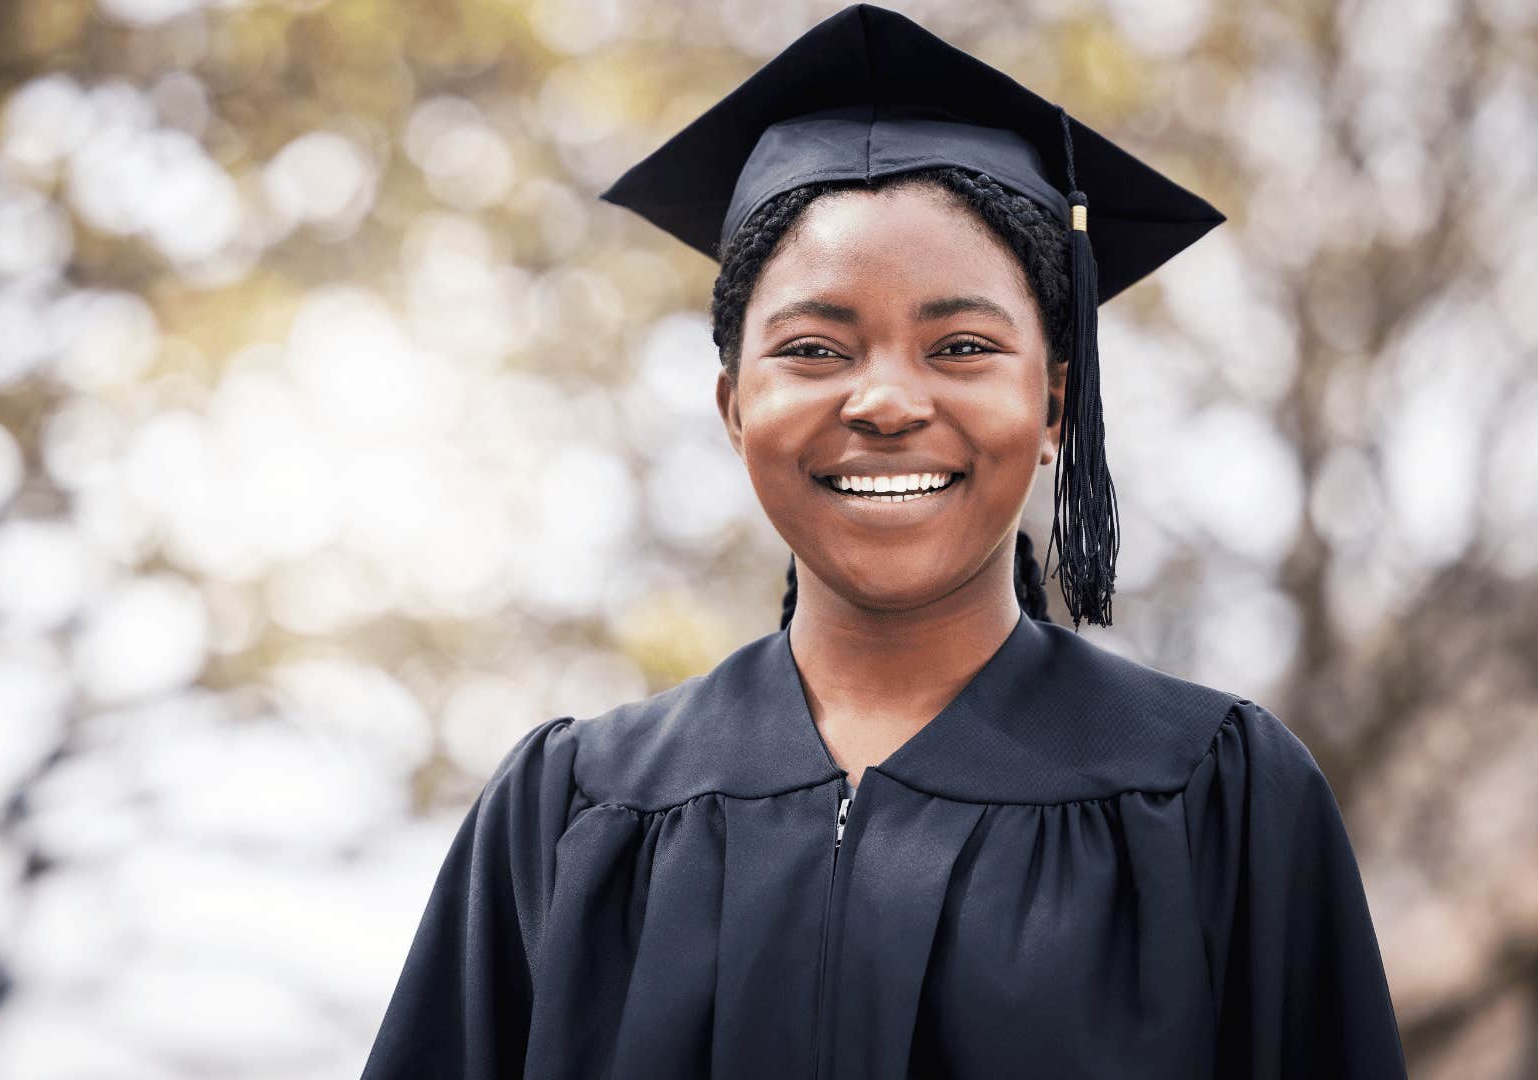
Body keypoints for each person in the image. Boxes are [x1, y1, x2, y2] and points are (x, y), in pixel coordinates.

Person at [362, 5, 1409, 1078]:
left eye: (960, 346)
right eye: (815, 347)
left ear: (1055, 407)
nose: (887, 401)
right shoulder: (574, 813)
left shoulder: (1213, 795)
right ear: (733, 407)